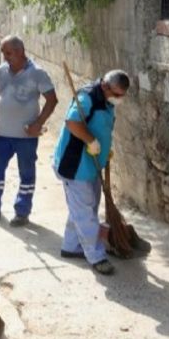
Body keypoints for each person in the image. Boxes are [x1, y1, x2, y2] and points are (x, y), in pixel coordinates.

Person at [52, 70, 130, 276]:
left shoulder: (107, 99)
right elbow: (72, 123)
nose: (119, 99)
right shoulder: (86, 98)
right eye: (117, 95)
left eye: (122, 96)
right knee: (85, 211)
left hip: (92, 164)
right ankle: (96, 257)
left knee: (84, 207)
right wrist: (92, 141)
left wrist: (104, 149)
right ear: (105, 86)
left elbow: (103, 125)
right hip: (75, 165)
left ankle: (71, 246)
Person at [0, 36, 58, 227]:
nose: (5, 57)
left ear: (20, 51)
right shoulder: (0, 72)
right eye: (3, 53)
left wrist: (38, 124)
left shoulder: (38, 73)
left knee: (27, 174)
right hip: (0, 134)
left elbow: (52, 99)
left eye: (8, 53)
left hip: (26, 136)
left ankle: (22, 212)